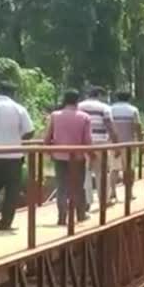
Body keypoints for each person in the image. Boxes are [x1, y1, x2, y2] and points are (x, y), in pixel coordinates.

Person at [0, 81, 35, 231]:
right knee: (12, 190)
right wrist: (17, 138)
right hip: (13, 156)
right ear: (13, 93)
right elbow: (30, 131)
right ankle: (5, 223)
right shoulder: (19, 109)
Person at [44, 90, 92, 225]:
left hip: (59, 156)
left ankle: (62, 216)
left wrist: (48, 151)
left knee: (61, 186)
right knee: (78, 186)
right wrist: (92, 155)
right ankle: (80, 214)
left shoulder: (55, 115)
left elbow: (47, 137)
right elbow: (87, 140)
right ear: (77, 100)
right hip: (77, 156)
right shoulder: (84, 117)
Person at [79, 87, 118, 209]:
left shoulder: (79, 106)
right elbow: (109, 126)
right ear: (99, 95)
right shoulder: (104, 107)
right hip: (100, 143)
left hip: (83, 144)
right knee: (101, 172)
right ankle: (104, 200)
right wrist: (115, 144)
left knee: (85, 172)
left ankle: (86, 200)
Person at [110, 90, 143, 197]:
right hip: (129, 144)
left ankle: (113, 191)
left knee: (114, 168)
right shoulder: (133, 110)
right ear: (129, 98)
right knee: (129, 168)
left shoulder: (111, 109)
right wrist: (140, 143)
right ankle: (129, 192)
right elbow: (138, 127)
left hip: (113, 144)